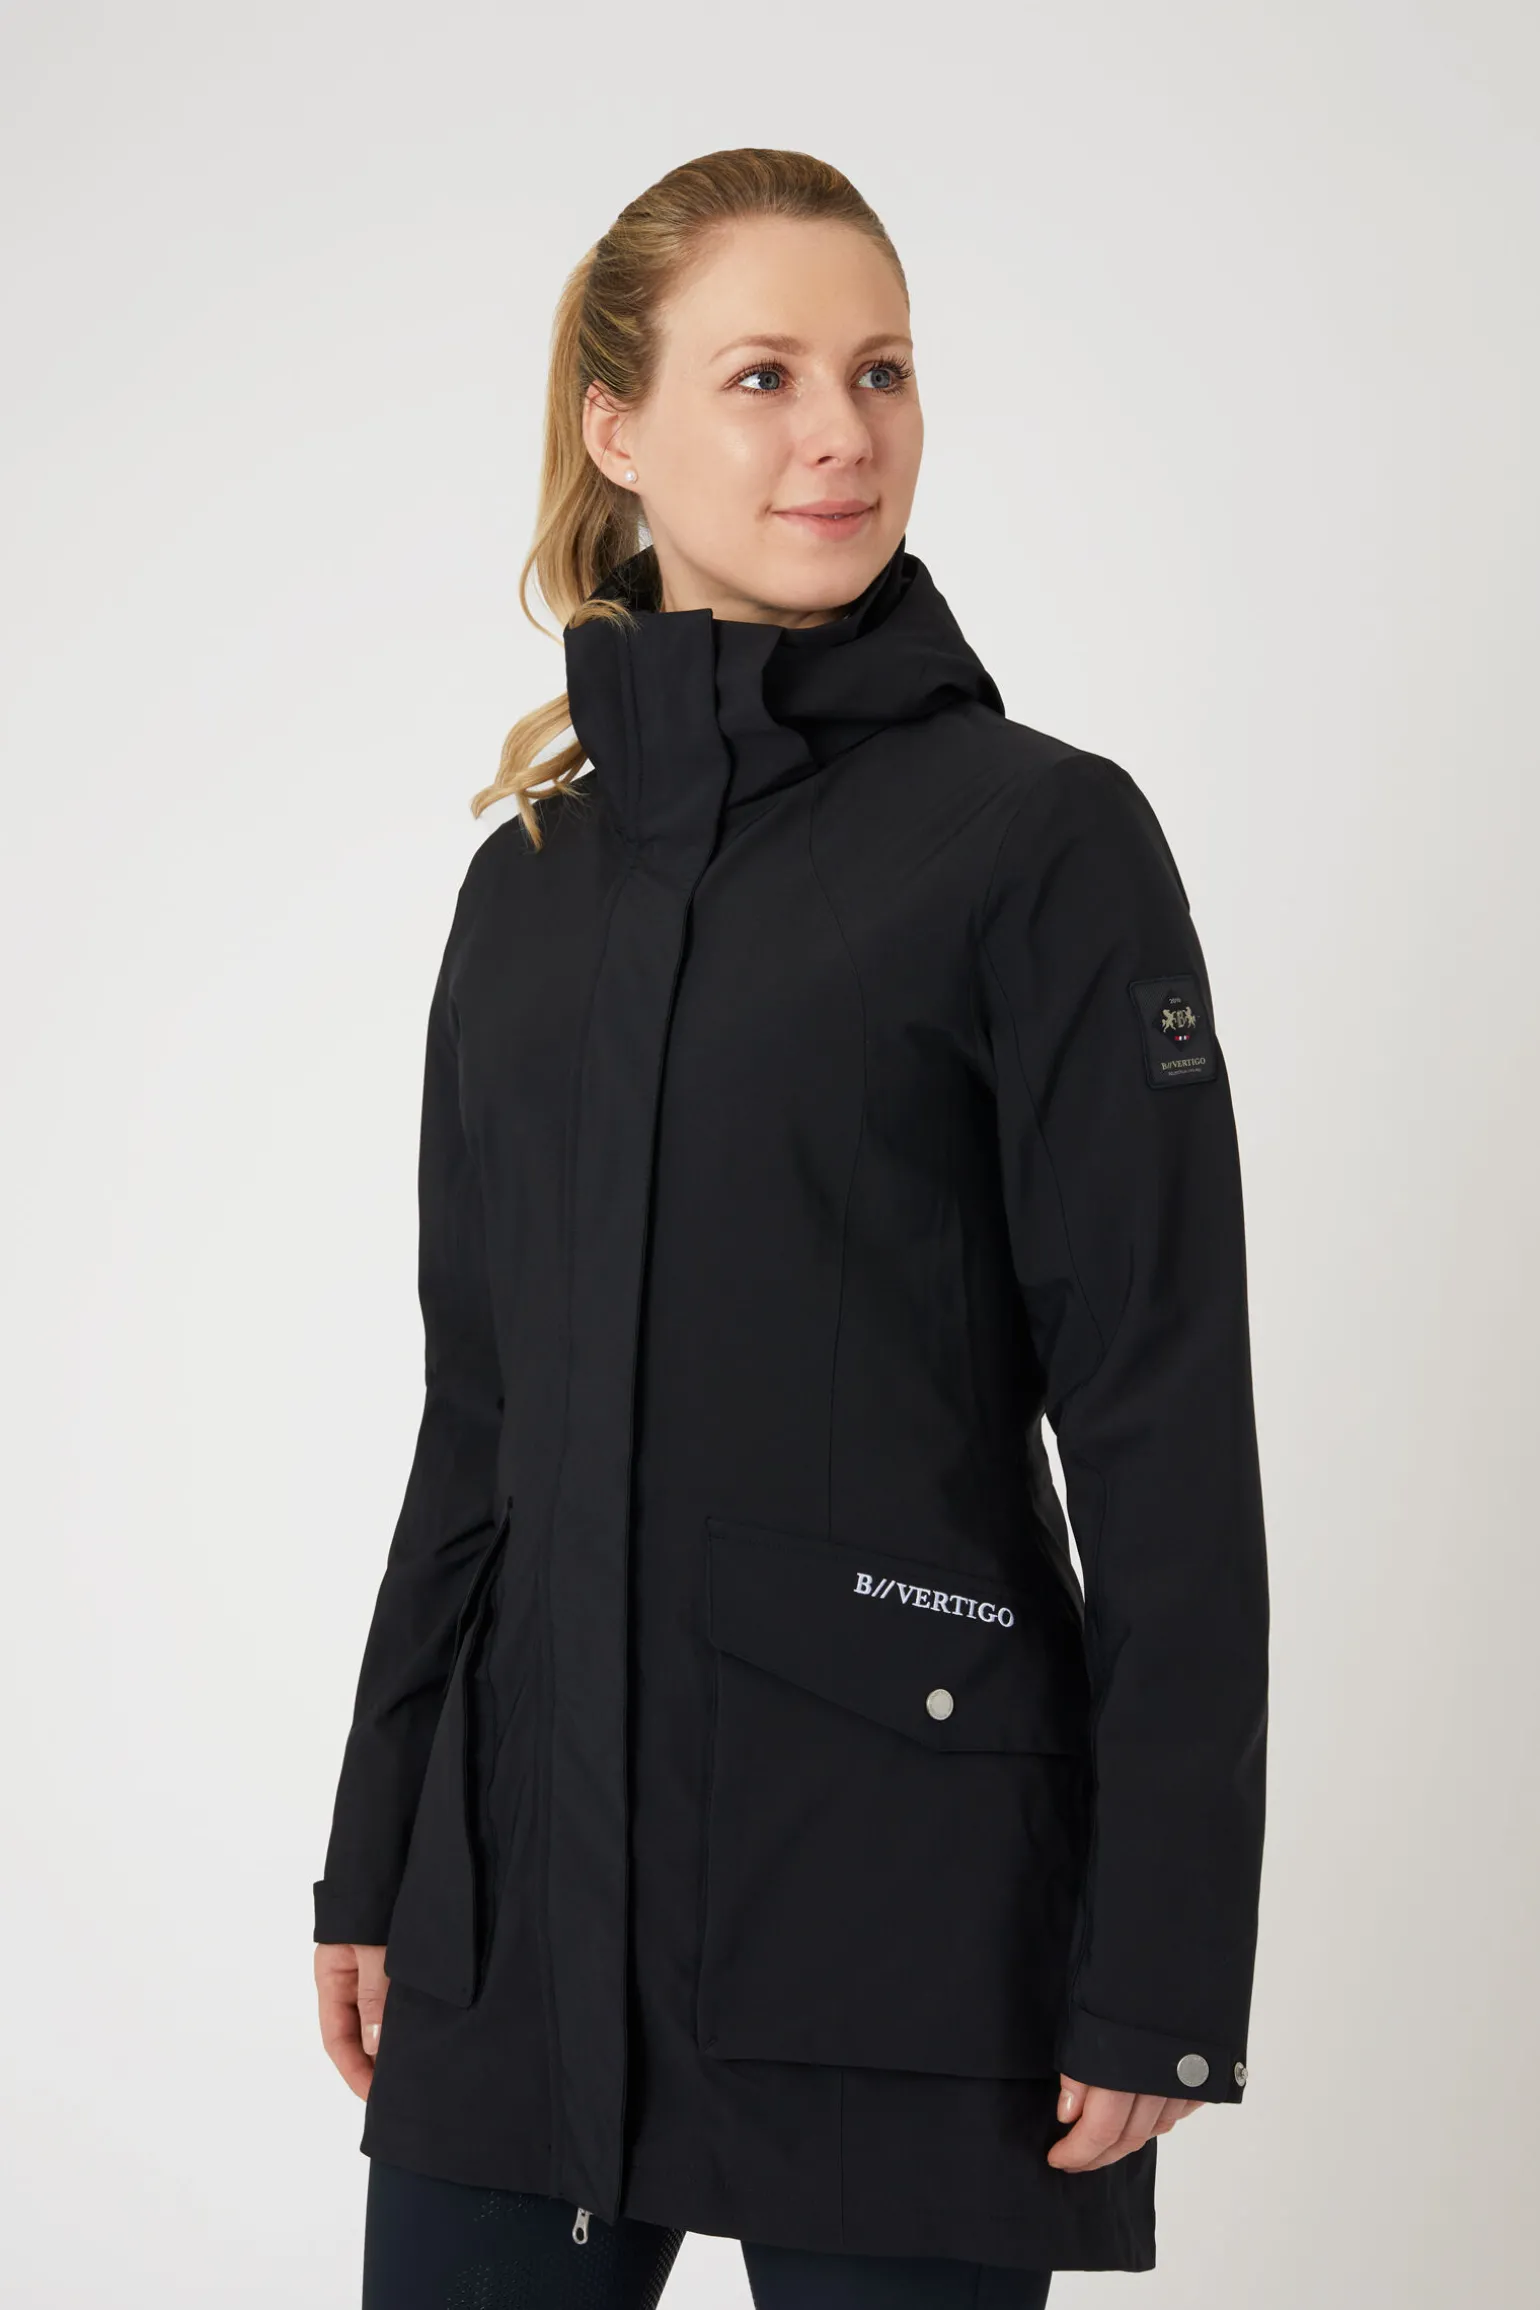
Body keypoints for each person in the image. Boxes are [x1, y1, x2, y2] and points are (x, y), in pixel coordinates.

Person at [311, 145, 1270, 2310]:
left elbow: (1157, 1423)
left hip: (903, 1902)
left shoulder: (1040, 844)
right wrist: (378, 1852)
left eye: (881, 371)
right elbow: (478, 1419)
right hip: (514, 1905)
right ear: (617, 426)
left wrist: (1162, 1958)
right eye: (763, 376)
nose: (841, 432)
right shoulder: (527, 890)